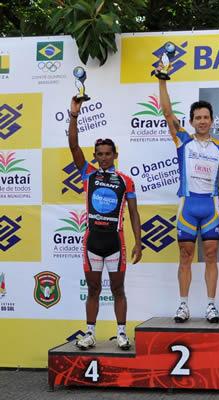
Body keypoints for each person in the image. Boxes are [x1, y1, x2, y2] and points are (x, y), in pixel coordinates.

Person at [158, 73, 219, 323]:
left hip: (211, 208)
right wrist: (162, 81)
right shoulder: (183, 140)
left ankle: (211, 306)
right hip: (188, 206)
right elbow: (167, 112)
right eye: (198, 118)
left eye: (206, 117)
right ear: (192, 122)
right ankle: (183, 305)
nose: (202, 121)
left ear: (212, 121)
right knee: (185, 256)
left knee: (211, 255)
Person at [68, 96, 143, 350]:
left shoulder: (125, 180)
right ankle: (90, 333)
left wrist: (139, 243)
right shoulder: (88, 174)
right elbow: (73, 146)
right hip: (92, 241)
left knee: (118, 288)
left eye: (108, 154)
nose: (103, 158)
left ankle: (122, 333)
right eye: (99, 154)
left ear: (115, 155)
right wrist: (74, 115)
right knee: (93, 289)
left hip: (115, 241)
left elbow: (133, 213)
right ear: (95, 156)